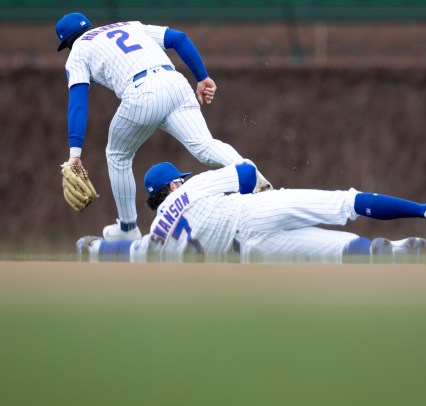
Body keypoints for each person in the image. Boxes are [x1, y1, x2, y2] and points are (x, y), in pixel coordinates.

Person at [55, 12, 270, 242]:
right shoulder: (130, 25)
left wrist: (74, 153)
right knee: (205, 146)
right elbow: (178, 38)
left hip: (141, 93)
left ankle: (127, 229)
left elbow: (78, 103)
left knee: (117, 155)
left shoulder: (78, 51)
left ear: (67, 43)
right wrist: (202, 77)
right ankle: (255, 178)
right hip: (176, 83)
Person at [76, 162, 426, 263]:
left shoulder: (156, 238)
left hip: (249, 253)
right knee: (344, 202)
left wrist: (92, 247)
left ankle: (393, 253)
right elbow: (246, 174)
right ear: (173, 185)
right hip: (255, 211)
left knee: (332, 250)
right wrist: (257, 182)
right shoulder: (192, 186)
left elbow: (123, 253)